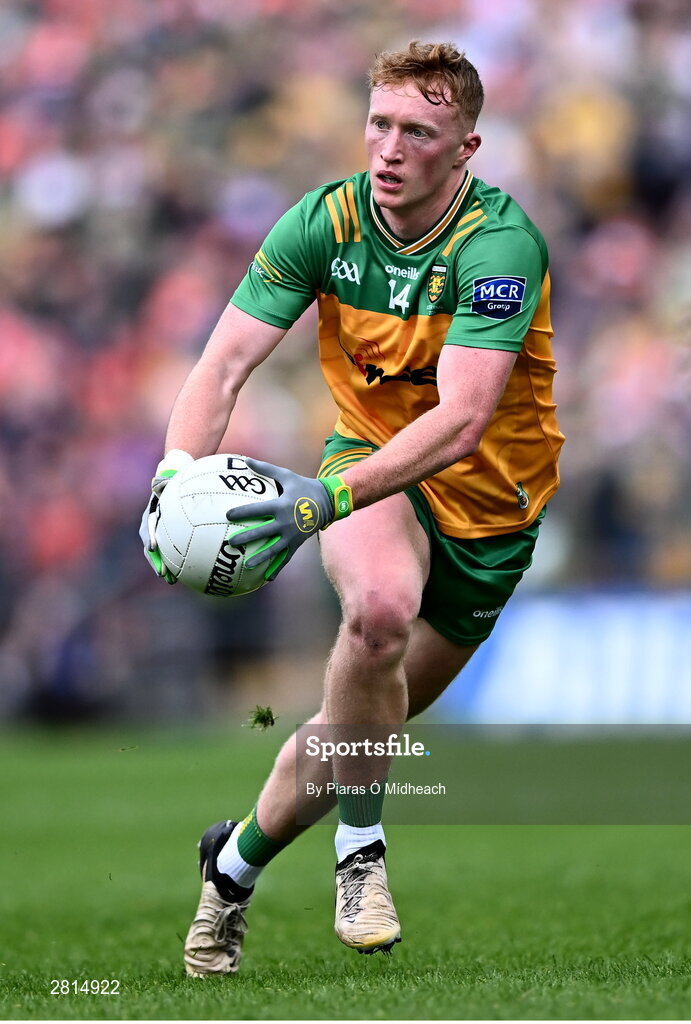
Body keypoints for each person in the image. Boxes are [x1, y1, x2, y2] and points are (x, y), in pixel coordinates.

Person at [140, 40, 564, 975]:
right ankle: (361, 858)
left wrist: (319, 502)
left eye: (418, 131)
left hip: (490, 514)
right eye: (378, 124)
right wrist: (174, 474)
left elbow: (461, 421)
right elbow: (223, 364)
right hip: (371, 469)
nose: (389, 148)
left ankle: (234, 861)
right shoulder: (321, 223)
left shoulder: (498, 244)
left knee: (350, 735)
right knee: (373, 617)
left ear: (465, 148)